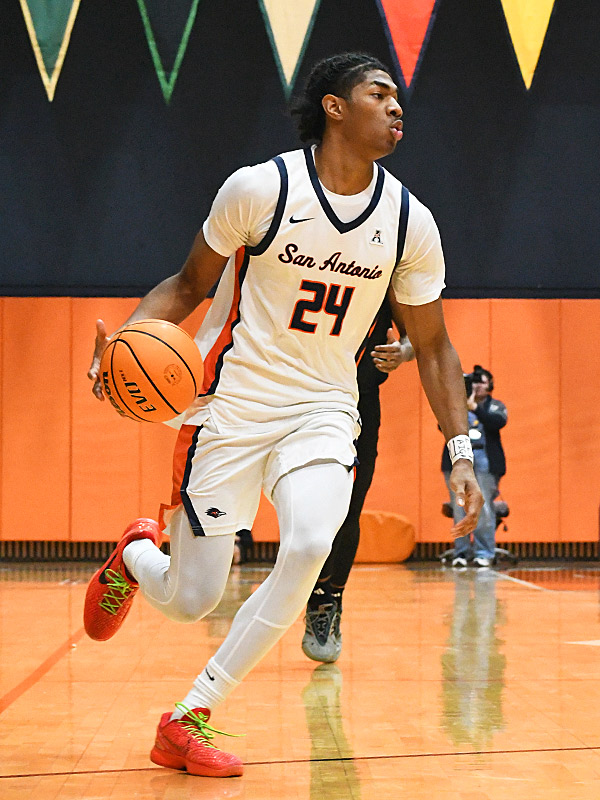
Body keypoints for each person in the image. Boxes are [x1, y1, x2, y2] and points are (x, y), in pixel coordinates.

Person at [84, 51, 483, 778]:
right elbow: (186, 286)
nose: (398, 107)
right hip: (232, 408)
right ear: (335, 107)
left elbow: (434, 347)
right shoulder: (260, 190)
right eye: (379, 93)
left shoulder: (407, 222)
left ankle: (188, 716)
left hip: (324, 411)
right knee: (189, 600)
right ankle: (138, 555)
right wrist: (118, 353)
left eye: (399, 97)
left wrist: (462, 450)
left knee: (308, 545)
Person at [302, 295, 414, 662]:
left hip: (363, 400)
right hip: (309, 398)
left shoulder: (384, 272)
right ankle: (315, 594)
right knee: (314, 511)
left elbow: (419, 337)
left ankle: (331, 599)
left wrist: (403, 351)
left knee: (350, 511)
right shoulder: (310, 261)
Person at [442, 365, 507, 568]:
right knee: (459, 508)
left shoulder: (495, 405)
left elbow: (497, 421)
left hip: (486, 464)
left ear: (490, 385)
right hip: (458, 464)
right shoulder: (457, 404)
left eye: (482, 382)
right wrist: (460, 403)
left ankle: (484, 553)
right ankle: (461, 553)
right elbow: (441, 424)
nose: (477, 386)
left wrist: (475, 408)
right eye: (474, 382)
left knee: (485, 508)